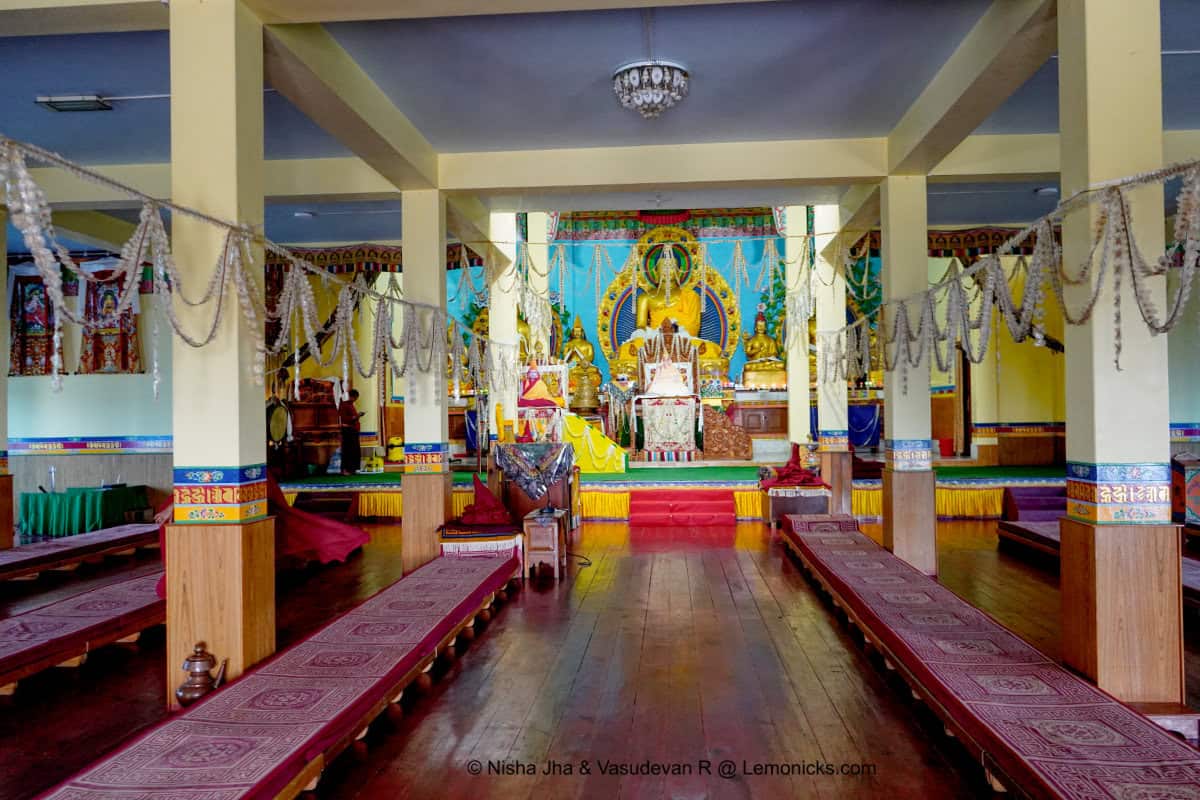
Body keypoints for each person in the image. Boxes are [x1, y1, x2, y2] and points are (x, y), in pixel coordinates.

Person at [339, 388, 363, 475]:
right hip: (347, 430)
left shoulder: (351, 405)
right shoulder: (345, 405)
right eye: (355, 397)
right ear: (352, 396)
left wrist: (357, 416)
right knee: (347, 450)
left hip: (353, 430)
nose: (355, 399)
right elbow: (346, 419)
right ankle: (345, 469)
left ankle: (352, 469)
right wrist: (357, 416)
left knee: (354, 450)